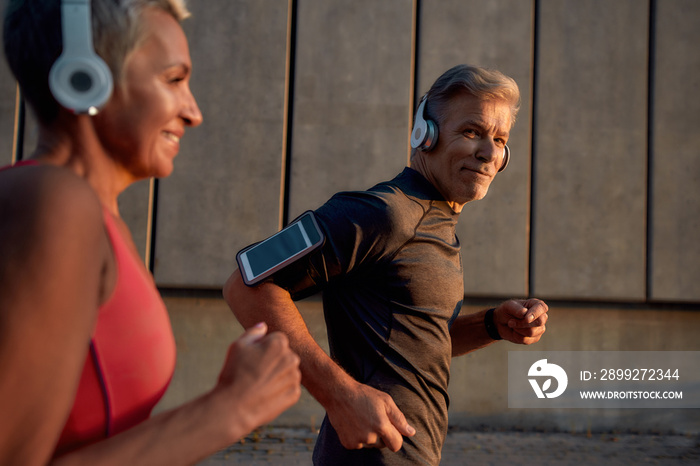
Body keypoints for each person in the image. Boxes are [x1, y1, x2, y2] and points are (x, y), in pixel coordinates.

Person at [0, 1, 301, 464]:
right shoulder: (55, 204)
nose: (194, 112)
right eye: (174, 79)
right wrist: (233, 408)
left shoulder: (95, 217)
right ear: (84, 78)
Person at [223, 64, 549, 465]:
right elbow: (245, 283)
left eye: (500, 140)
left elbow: (413, 344)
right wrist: (339, 394)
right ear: (424, 133)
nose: (488, 152)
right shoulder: (385, 212)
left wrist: (491, 325)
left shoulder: (436, 222)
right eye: (471, 132)